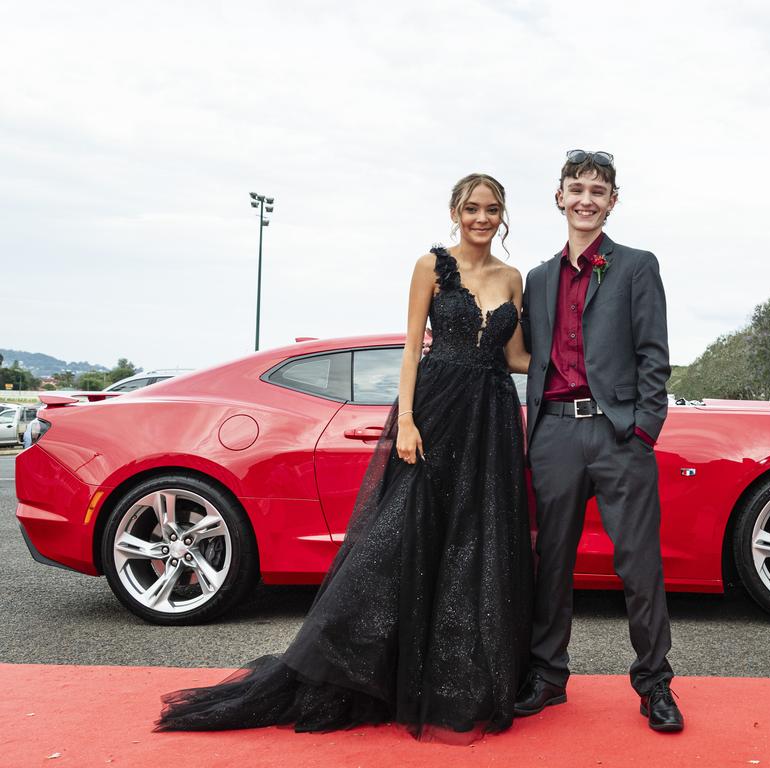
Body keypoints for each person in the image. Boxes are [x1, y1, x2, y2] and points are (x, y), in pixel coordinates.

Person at [157, 173, 533, 739]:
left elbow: (517, 356)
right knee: (399, 544)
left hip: (491, 421)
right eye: (472, 208)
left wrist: (585, 362)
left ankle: (459, 680)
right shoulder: (432, 266)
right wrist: (405, 420)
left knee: (475, 547)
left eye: (492, 209)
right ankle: (347, 672)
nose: (482, 218)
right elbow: (411, 351)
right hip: (434, 413)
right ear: (455, 211)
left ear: (502, 215)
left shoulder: (512, 277)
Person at [514, 150, 682, 732]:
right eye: (576, 188)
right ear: (558, 197)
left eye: (598, 190)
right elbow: (522, 355)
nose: (586, 199)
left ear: (612, 201)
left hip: (618, 434)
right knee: (550, 561)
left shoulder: (637, 266)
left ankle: (655, 684)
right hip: (554, 431)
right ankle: (546, 677)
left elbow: (653, 355)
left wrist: (643, 429)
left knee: (639, 563)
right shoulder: (537, 279)